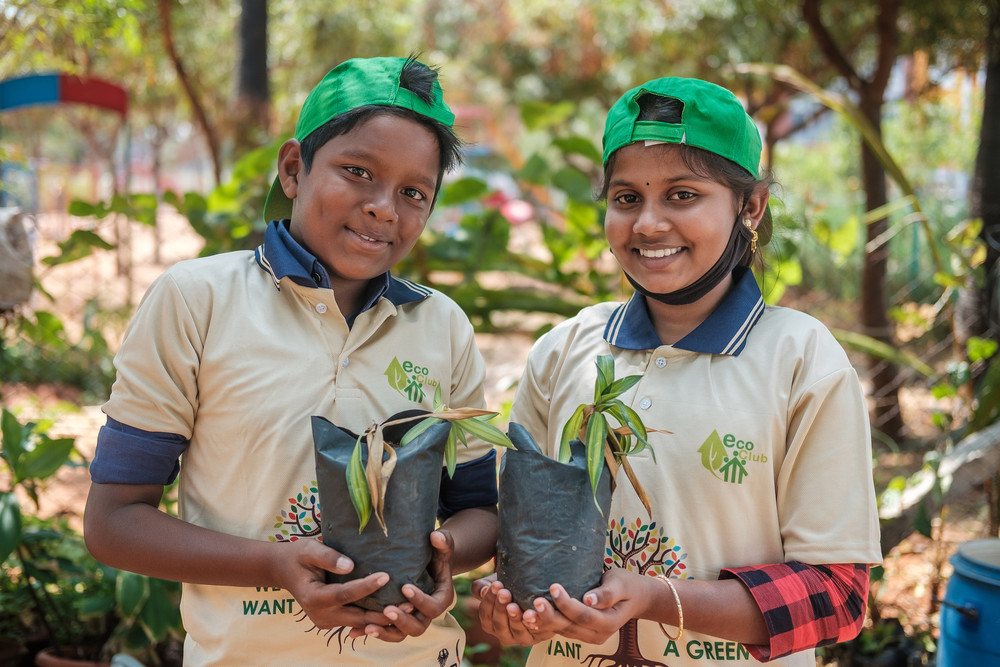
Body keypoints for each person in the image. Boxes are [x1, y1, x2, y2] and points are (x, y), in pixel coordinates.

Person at [84, 56, 499, 666]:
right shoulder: (199, 300)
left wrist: (441, 556)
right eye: (358, 172)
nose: (385, 207)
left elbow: (479, 511)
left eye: (414, 192)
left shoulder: (442, 327)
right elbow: (114, 522)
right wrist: (273, 565)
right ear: (293, 168)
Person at [474, 77, 882, 666]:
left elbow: (836, 596)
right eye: (626, 198)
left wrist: (654, 598)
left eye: (683, 195)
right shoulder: (564, 351)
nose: (648, 224)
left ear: (750, 206)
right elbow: (523, 541)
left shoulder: (800, 360)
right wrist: (512, 606)